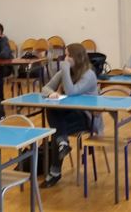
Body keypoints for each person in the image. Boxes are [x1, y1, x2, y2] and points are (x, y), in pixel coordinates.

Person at [41, 43, 100, 187]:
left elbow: (71, 91)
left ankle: (55, 171)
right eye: (65, 55)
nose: (65, 59)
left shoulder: (89, 74)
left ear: (77, 57)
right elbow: (45, 88)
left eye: (68, 55)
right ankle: (63, 144)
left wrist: (65, 69)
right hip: (67, 114)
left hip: (86, 117)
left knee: (56, 131)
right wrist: (51, 93)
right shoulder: (65, 71)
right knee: (53, 114)